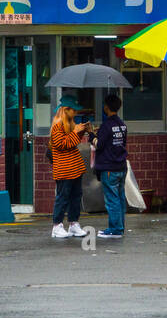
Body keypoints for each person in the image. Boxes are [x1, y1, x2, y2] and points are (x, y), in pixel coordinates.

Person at [49, 95, 90, 239]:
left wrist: (82, 131)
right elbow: (62, 145)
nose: (76, 113)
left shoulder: (69, 123)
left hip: (75, 168)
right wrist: (75, 132)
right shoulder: (57, 125)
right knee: (63, 197)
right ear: (66, 110)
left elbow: (72, 143)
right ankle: (57, 225)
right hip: (64, 169)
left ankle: (73, 224)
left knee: (76, 197)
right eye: (74, 110)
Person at [91, 93, 129, 239]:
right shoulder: (122, 125)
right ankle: (120, 227)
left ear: (106, 107)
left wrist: (92, 136)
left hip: (109, 168)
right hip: (121, 166)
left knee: (112, 199)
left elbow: (99, 145)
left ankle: (115, 229)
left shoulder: (107, 126)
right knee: (119, 198)